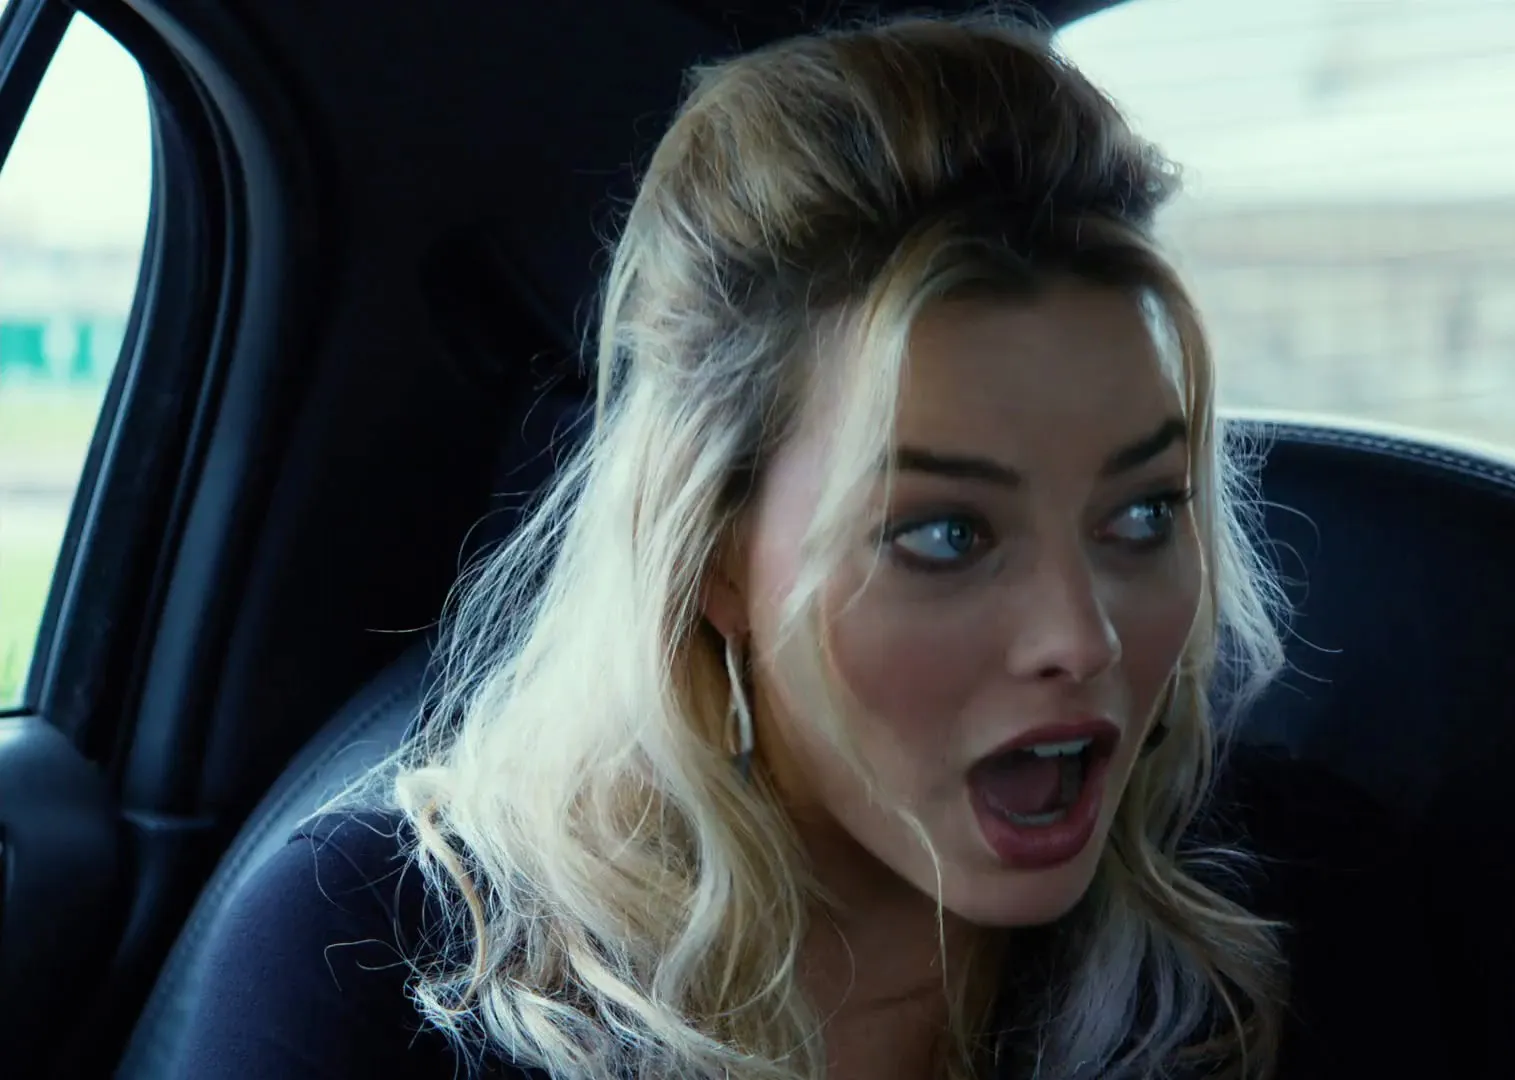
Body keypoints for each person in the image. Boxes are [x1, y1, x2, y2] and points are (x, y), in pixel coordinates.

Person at [178, 14, 1441, 1080]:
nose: (1084, 636)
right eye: (945, 535)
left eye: (1143, 516)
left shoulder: (1294, 922)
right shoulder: (376, 964)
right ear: (713, 557)